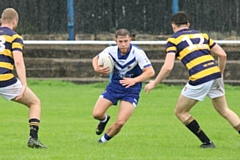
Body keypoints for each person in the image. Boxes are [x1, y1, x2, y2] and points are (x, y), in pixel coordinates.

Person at [144, 11, 240, 148]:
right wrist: (220, 74)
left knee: (180, 112)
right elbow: (222, 55)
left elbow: (168, 67)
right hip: (214, 73)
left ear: (173, 26)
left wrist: (154, 83)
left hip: (200, 77)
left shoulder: (173, 40)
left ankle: (207, 142)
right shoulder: (202, 35)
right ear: (188, 25)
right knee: (225, 110)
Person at [92, 28, 155, 143]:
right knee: (96, 114)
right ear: (116, 41)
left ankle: (101, 142)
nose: (123, 44)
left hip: (131, 90)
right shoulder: (110, 50)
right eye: (120, 42)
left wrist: (134, 80)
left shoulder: (137, 53)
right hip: (115, 86)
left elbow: (150, 71)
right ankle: (104, 120)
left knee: (120, 122)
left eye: (126, 41)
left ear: (130, 39)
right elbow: (95, 58)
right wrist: (96, 67)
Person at [0, 8, 47, 148]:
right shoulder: (15, 37)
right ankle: (33, 138)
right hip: (5, 79)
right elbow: (18, 61)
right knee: (34, 103)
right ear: (15, 22)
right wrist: (24, 83)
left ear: (1, 20)